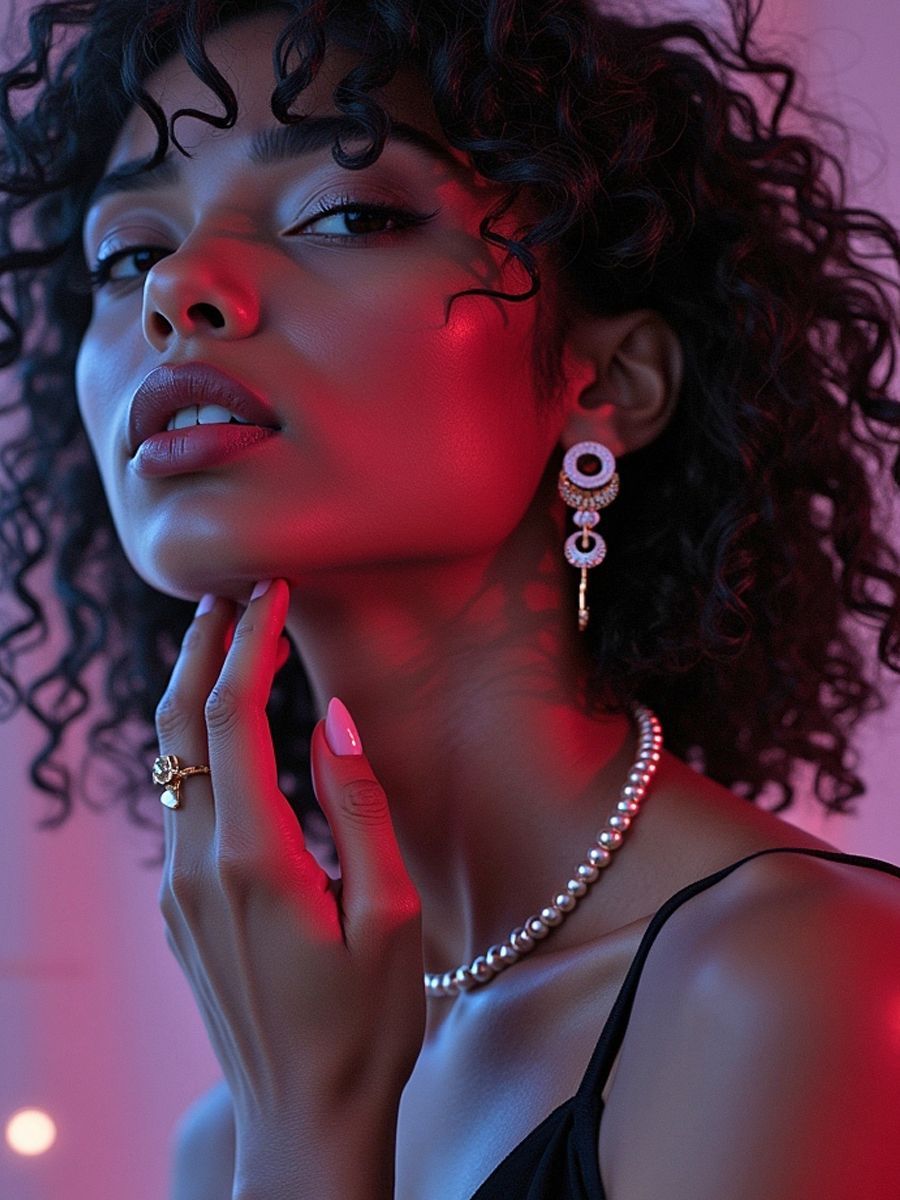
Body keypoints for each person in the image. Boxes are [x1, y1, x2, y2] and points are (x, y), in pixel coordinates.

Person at [2, 0, 900, 1196]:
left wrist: (310, 1135)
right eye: (127, 255)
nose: (180, 288)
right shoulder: (232, 1126)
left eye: (349, 213)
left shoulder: (797, 980)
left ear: (610, 382)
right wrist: (293, 1120)